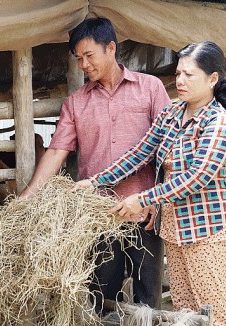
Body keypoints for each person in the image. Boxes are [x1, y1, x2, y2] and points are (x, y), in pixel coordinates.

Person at [77, 41, 226, 326]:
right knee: (184, 313)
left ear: (212, 79)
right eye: (178, 73)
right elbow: (140, 154)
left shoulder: (220, 124)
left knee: (216, 316)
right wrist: (97, 181)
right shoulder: (172, 113)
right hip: (176, 232)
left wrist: (144, 198)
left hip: (210, 235)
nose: (179, 80)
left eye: (189, 74)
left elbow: (196, 178)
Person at [21, 17, 170, 310]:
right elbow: (56, 152)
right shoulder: (76, 103)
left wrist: (158, 198)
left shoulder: (150, 88)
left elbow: (168, 148)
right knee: (100, 296)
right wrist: (26, 198)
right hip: (98, 214)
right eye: (78, 59)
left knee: (148, 300)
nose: (83, 65)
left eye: (89, 55)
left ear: (111, 48)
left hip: (144, 209)